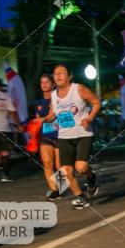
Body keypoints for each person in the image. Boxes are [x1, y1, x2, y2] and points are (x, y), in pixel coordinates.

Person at [41, 64, 101, 209]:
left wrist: (89, 118)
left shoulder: (78, 89)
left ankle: (91, 177)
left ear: (69, 76)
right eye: (56, 74)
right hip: (64, 136)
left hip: (83, 134)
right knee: (66, 170)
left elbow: (96, 103)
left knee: (80, 168)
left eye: (62, 73)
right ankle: (81, 198)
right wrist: (42, 120)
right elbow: (53, 115)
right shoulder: (54, 95)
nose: (58, 76)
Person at [31, 73, 62, 200]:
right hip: (46, 136)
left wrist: (44, 120)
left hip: (60, 135)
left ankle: (61, 186)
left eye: (47, 82)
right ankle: (54, 190)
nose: (44, 85)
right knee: (47, 163)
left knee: (60, 166)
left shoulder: (59, 99)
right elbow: (38, 120)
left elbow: (58, 116)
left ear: (52, 84)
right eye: (42, 82)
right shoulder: (38, 103)